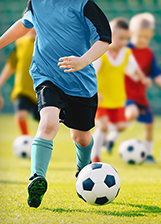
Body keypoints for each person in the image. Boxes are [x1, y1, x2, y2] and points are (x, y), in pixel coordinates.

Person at [0, 0, 111, 208]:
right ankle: (36, 178)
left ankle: (83, 168)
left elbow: (104, 39)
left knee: (82, 136)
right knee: (48, 123)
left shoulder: (85, 5)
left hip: (81, 82)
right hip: (46, 76)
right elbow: (25, 23)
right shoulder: (36, 2)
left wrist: (83, 61)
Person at [105, 13, 161, 163]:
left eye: (146, 37)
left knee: (149, 124)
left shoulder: (148, 53)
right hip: (124, 94)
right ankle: (111, 137)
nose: (143, 40)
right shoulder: (124, 49)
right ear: (131, 33)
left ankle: (148, 153)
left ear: (151, 35)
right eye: (140, 36)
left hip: (140, 96)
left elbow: (156, 76)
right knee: (131, 113)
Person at [91, 18, 151, 163]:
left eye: (126, 39)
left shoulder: (127, 53)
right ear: (110, 36)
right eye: (120, 38)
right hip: (102, 98)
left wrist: (143, 78)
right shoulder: (101, 53)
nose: (124, 42)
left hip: (118, 98)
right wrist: (95, 92)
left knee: (122, 126)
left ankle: (107, 140)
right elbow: (91, 73)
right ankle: (95, 156)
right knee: (103, 125)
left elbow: (134, 70)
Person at [0, 29, 39, 135]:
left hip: (40, 89)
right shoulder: (20, 43)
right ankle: (25, 138)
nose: (32, 29)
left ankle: (40, 141)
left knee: (43, 120)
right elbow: (11, 65)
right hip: (22, 89)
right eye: (29, 25)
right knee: (21, 114)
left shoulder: (46, 44)